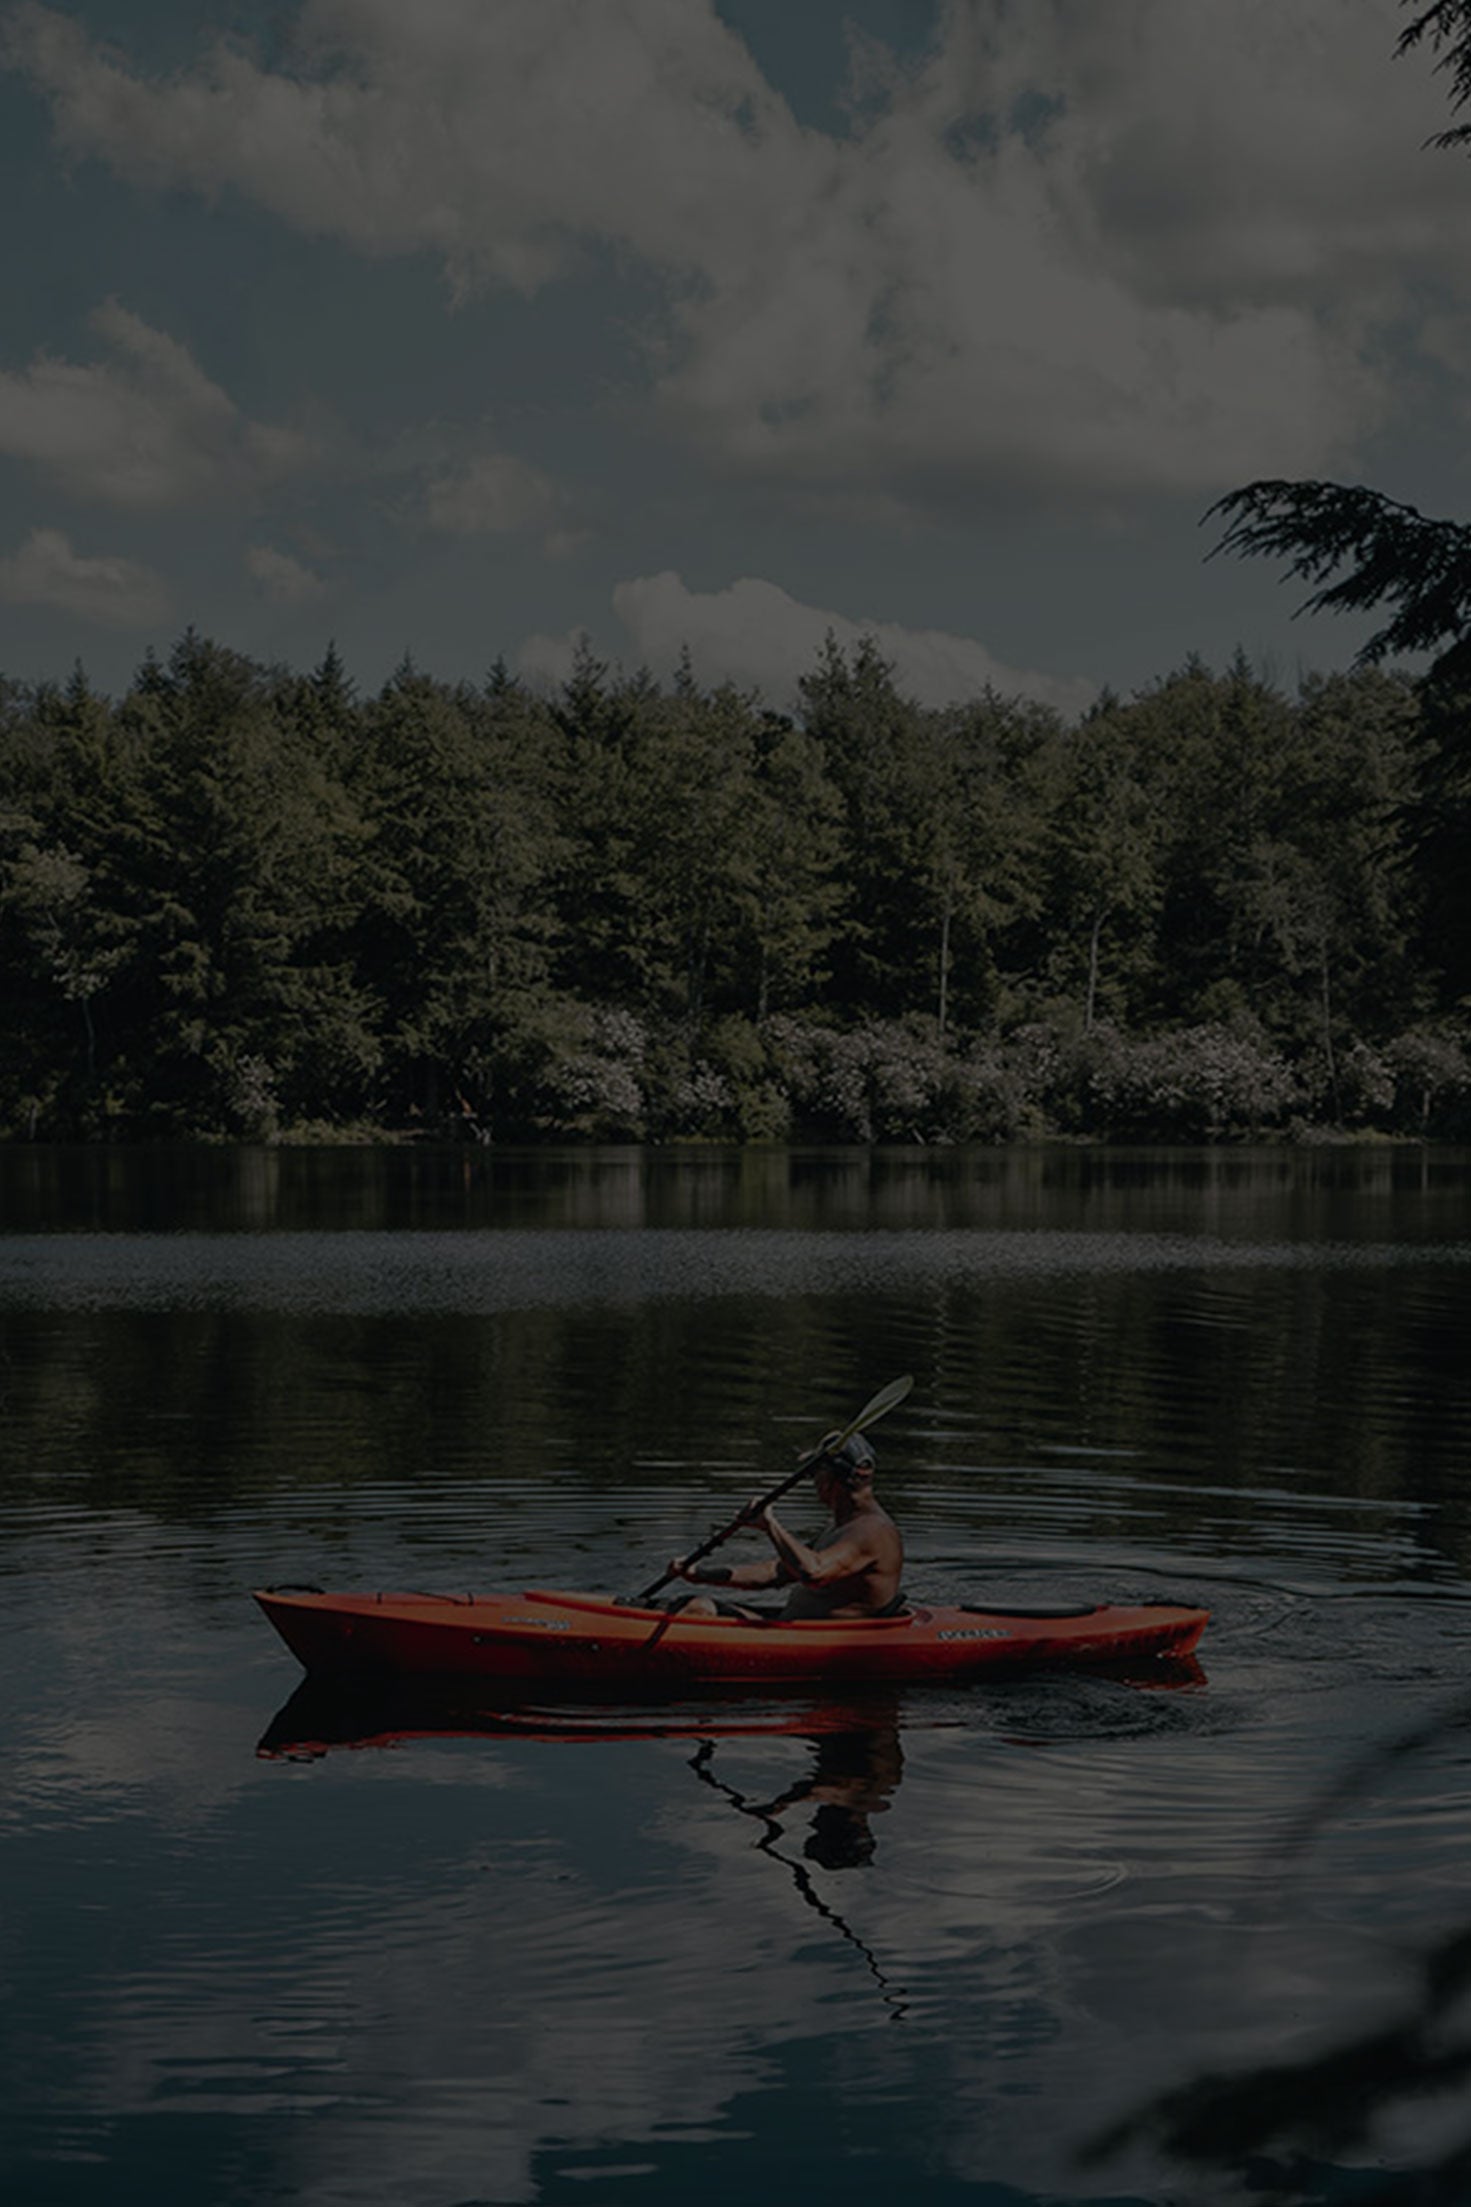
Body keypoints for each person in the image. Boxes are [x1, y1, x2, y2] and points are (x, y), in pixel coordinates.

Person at [665, 1433, 904, 1621]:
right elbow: (778, 1572)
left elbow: (812, 1573)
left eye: (814, 1472)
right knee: (695, 1605)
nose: (812, 1480)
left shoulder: (874, 1532)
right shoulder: (842, 1524)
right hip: (792, 1626)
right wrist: (700, 1574)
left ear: (830, 1481)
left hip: (820, 1641)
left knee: (697, 1609)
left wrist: (770, 1525)